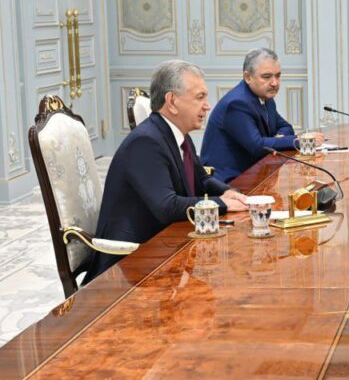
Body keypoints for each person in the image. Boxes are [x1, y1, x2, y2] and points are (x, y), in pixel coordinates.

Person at [84, 61, 247, 283]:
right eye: (199, 97)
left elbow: (200, 178)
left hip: (162, 245)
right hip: (130, 264)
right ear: (172, 101)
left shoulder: (177, 133)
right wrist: (222, 204)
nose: (207, 106)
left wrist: (228, 192)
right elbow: (167, 207)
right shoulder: (145, 142)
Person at [201, 48, 323, 182]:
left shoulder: (265, 97)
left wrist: (276, 139)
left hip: (254, 172)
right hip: (229, 181)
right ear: (248, 77)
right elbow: (257, 146)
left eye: (278, 76)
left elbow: (286, 127)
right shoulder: (237, 104)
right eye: (267, 77)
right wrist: (299, 141)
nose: (274, 83)